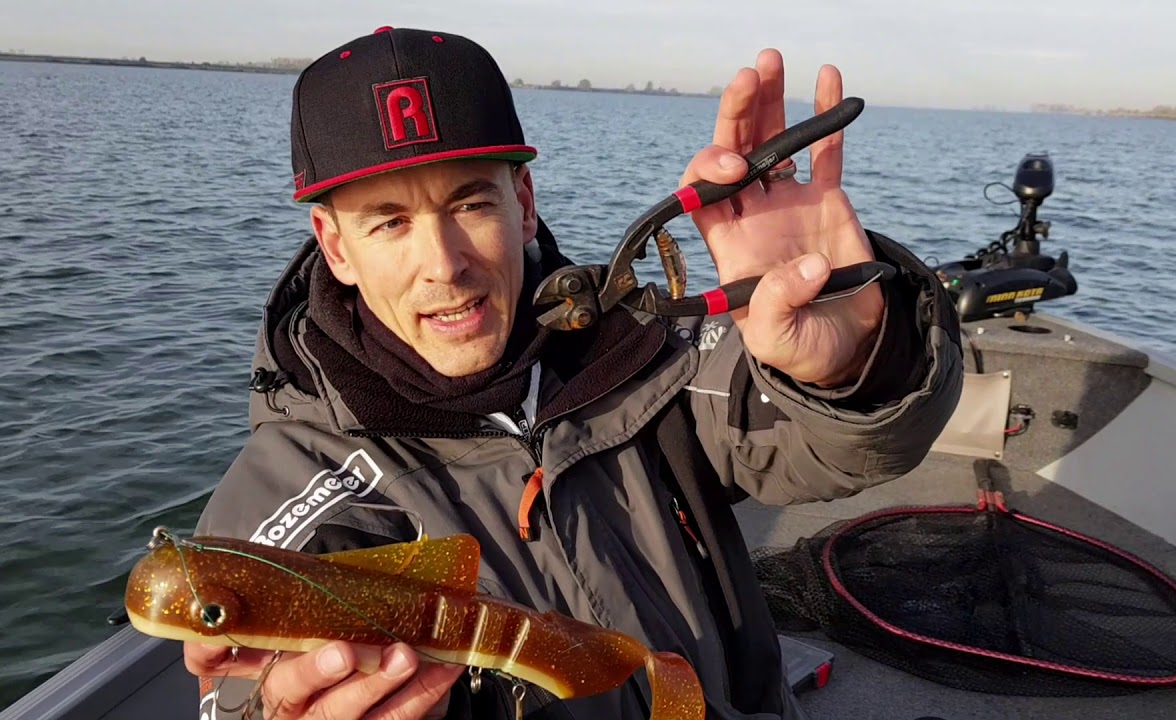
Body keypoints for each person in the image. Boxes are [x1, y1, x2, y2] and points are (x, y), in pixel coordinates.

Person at [184, 25, 963, 720]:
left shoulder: (642, 355)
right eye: (389, 222)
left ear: (522, 204)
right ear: (336, 245)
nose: (444, 266)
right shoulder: (291, 502)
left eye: (470, 205)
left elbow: (833, 445)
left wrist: (857, 356)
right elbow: (248, 690)